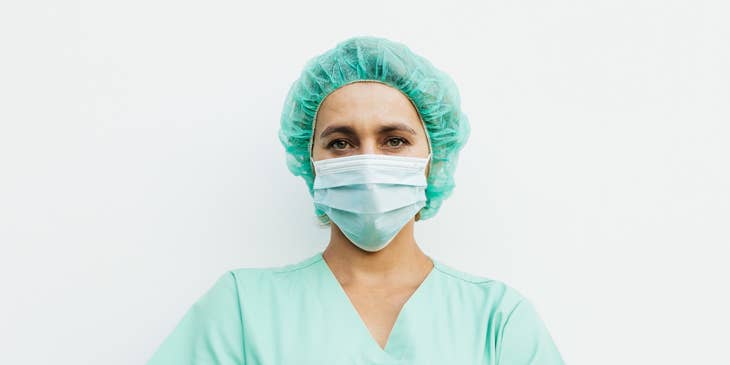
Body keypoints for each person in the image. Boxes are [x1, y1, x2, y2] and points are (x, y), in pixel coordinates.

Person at [146, 35, 565, 365]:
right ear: (311, 162)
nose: (367, 162)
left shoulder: (496, 320)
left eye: (394, 140)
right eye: (342, 142)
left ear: (433, 158)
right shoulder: (241, 310)